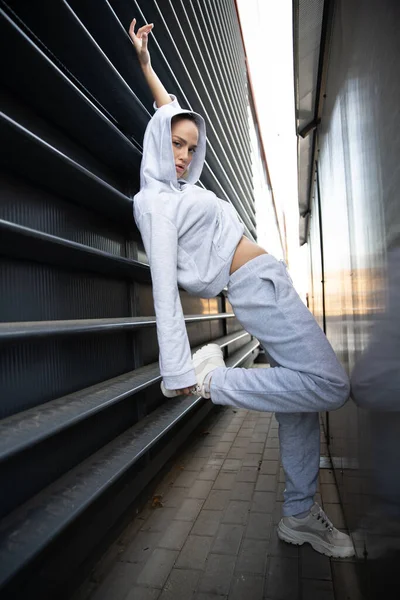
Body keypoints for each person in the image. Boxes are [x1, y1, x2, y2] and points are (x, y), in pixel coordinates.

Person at [129, 18, 354, 558]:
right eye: (176, 146)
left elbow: (168, 111)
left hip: (263, 282)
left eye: (191, 147)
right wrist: (183, 372)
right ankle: (217, 382)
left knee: (297, 403)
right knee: (330, 385)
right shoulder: (157, 204)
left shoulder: (178, 190)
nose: (184, 156)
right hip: (256, 286)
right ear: (159, 145)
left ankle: (299, 514)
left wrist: (145, 66)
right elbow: (163, 285)